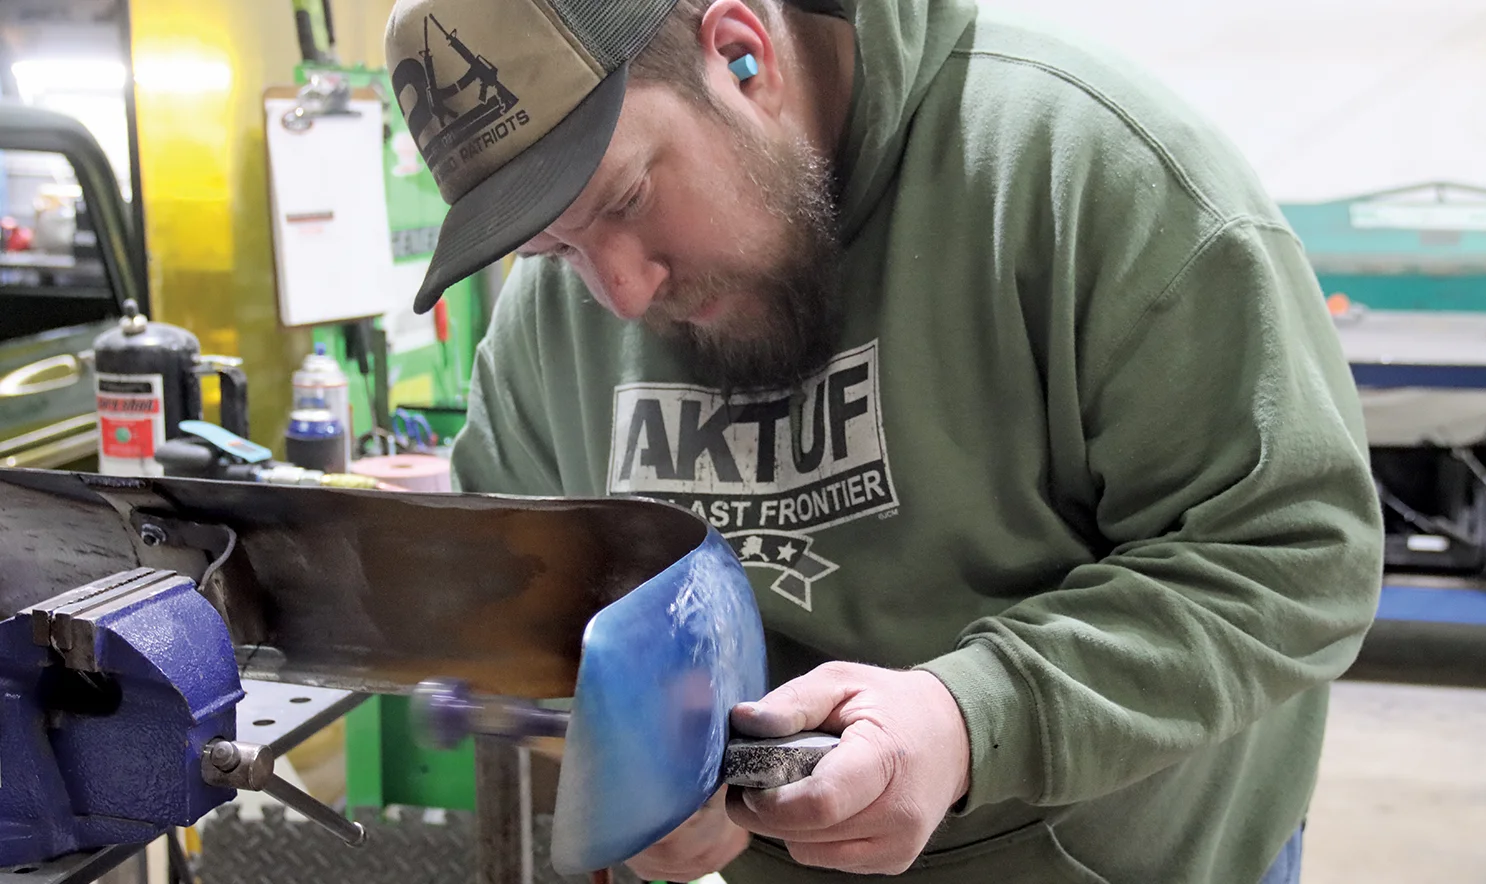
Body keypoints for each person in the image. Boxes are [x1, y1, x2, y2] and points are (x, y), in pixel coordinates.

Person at [384, 0, 1384, 881]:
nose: (621, 291)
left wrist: (970, 717)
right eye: (553, 248)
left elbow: (1293, 554)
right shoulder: (550, 323)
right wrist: (633, 761)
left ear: (740, 54)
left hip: (1113, 857)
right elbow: (527, 607)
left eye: (631, 198)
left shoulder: (1088, 176)